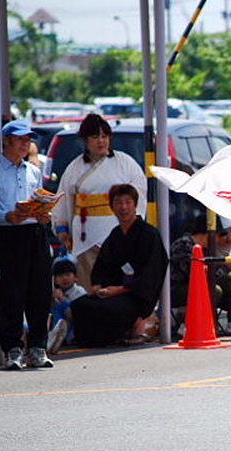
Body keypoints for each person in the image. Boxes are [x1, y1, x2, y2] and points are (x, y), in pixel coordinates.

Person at [0, 120, 53, 369]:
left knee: (39, 291)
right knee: (9, 294)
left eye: (27, 139)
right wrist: (6, 216)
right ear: (6, 141)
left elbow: (39, 197)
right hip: (8, 236)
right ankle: (13, 349)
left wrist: (43, 213)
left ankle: (38, 347)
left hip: (34, 233)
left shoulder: (33, 171)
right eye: (19, 139)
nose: (24, 144)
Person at [51, 113, 147, 288]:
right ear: (85, 140)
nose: (101, 141)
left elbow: (139, 196)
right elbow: (63, 199)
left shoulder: (126, 164)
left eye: (104, 136)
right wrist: (62, 227)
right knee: (91, 286)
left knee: (118, 283)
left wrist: (134, 229)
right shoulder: (74, 168)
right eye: (95, 137)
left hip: (119, 233)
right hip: (87, 235)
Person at [70, 184, 167, 346]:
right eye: (118, 203)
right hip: (112, 291)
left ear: (135, 205)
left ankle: (117, 334)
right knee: (80, 305)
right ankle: (86, 340)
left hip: (136, 294)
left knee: (109, 309)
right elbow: (102, 265)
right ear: (112, 207)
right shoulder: (115, 235)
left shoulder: (149, 234)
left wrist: (121, 289)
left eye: (128, 202)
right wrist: (98, 285)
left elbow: (152, 272)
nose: (123, 207)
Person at [170, 215, 231, 336]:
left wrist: (225, 265)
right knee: (214, 290)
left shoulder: (207, 247)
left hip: (201, 283)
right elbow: (195, 273)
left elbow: (211, 273)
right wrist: (222, 265)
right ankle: (188, 324)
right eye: (216, 235)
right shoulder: (183, 245)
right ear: (205, 234)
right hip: (179, 288)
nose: (217, 240)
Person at [47, 256, 87, 355]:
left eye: (68, 274)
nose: (64, 278)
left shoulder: (79, 292)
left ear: (75, 278)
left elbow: (75, 315)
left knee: (61, 308)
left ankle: (57, 336)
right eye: (60, 276)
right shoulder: (54, 292)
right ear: (55, 280)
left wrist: (63, 300)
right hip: (60, 324)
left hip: (75, 328)